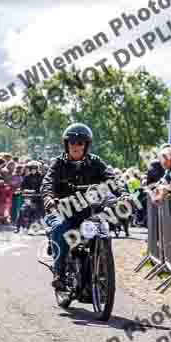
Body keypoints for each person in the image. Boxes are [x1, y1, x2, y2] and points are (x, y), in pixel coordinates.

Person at [42, 123, 117, 291]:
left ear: (86, 145)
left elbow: (111, 179)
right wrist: (49, 197)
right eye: (72, 142)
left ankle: (103, 274)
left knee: (104, 230)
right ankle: (59, 273)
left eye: (80, 143)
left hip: (90, 211)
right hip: (64, 209)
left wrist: (123, 194)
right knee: (60, 228)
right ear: (66, 144)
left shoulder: (96, 162)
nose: (76, 146)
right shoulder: (58, 163)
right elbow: (47, 182)